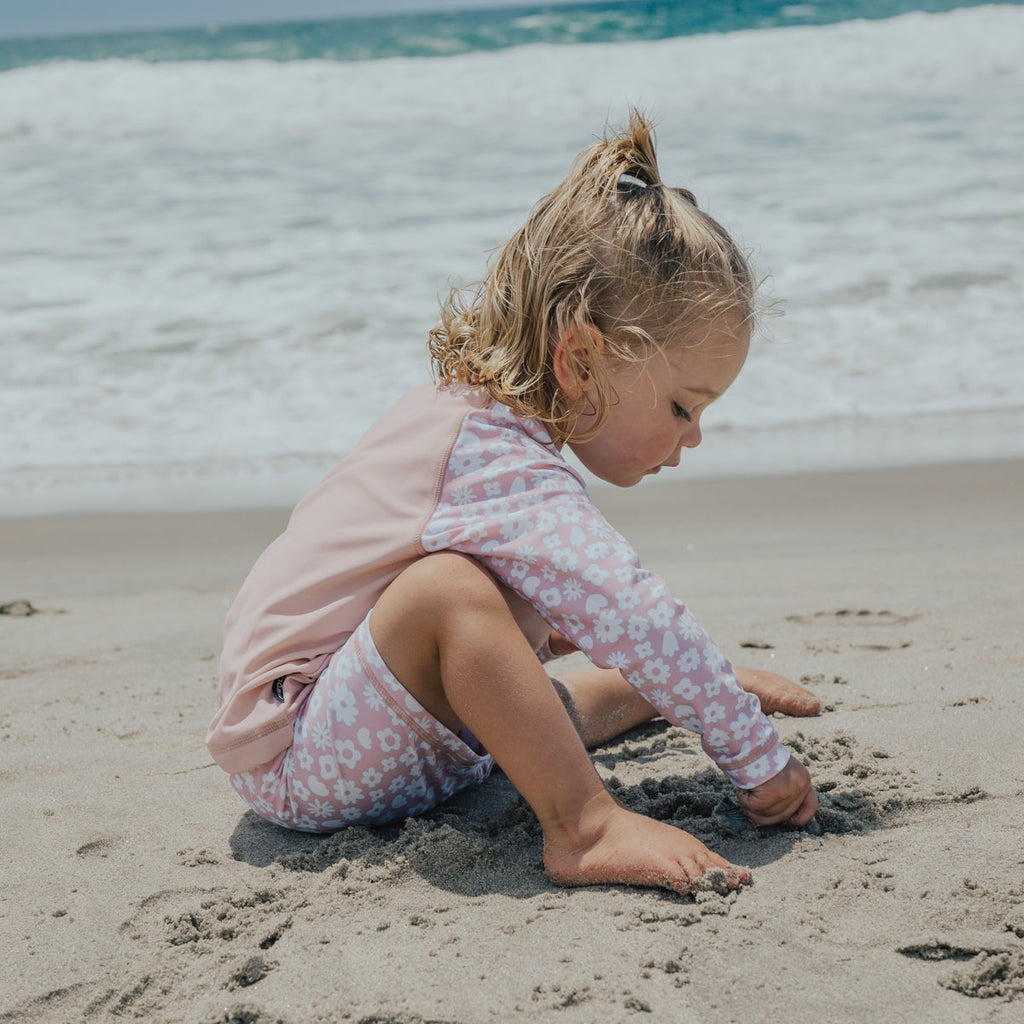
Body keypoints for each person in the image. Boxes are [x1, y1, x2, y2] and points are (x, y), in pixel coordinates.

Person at [208, 109, 819, 896]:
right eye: (680, 407)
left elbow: (584, 619)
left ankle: (659, 690)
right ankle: (584, 827)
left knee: (527, 593)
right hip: (303, 756)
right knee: (450, 593)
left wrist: (701, 692)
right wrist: (755, 759)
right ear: (581, 359)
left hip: (385, 731)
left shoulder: (484, 425)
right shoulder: (484, 452)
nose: (693, 436)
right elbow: (632, 611)